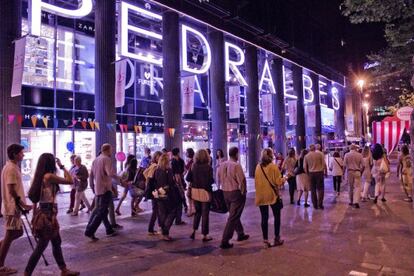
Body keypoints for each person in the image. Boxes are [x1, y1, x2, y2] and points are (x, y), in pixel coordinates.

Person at [24, 153, 79, 276]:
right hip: (48, 215)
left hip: (45, 212)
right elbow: (70, 180)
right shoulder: (49, 176)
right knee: (41, 246)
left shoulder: (40, 176)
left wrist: (34, 216)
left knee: (56, 241)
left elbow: (35, 199)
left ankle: (64, 269)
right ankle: (27, 273)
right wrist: (62, 166)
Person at [0, 144, 32, 274]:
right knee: (9, 235)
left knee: (17, 233)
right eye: (21, 153)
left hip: (13, 207)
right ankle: (1, 266)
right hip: (12, 207)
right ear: (14, 154)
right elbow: (11, 190)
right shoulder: (11, 168)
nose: (23, 155)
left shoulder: (11, 167)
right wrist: (23, 205)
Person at [85, 144, 123, 241]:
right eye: (111, 149)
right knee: (101, 211)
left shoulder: (96, 160)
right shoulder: (106, 159)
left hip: (98, 188)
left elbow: (92, 174)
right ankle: (90, 231)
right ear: (107, 150)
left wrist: (92, 185)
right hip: (105, 188)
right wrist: (119, 178)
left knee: (102, 210)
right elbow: (110, 173)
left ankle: (108, 229)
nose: (112, 151)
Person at [216, 147, 249, 249]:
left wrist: (219, 188)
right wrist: (243, 192)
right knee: (233, 216)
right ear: (236, 154)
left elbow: (217, 178)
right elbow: (242, 180)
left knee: (233, 214)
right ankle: (225, 240)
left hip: (225, 192)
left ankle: (240, 233)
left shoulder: (222, 165)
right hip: (235, 193)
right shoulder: (236, 165)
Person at [255, 148, 285, 248]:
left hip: (261, 195)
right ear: (271, 155)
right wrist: (286, 177)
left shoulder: (258, 167)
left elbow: (256, 182)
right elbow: (279, 182)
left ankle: (265, 240)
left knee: (264, 218)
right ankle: (277, 238)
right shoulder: (273, 167)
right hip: (272, 195)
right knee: (277, 217)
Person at [186, 149, 214, 242]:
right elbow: (211, 181)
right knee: (205, 214)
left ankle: (193, 231)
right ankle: (204, 235)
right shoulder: (208, 167)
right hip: (205, 192)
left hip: (195, 192)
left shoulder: (193, 166)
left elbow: (188, 178)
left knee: (197, 212)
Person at [153, 153, 180, 241]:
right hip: (167, 194)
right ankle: (165, 231)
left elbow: (154, 182)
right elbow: (171, 183)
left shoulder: (156, 170)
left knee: (162, 213)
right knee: (172, 212)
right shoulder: (168, 170)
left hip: (158, 194)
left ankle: (162, 229)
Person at [143, 151, 163, 235]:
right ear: (155, 157)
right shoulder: (155, 166)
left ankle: (159, 227)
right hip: (155, 191)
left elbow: (145, 174)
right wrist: (148, 187)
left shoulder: (155, 166)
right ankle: (151, 229)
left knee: (157, 209)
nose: (160, 158)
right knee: (156, 209)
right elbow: (148, 177)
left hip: (154, 190)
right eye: (158, 156)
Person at [304, 144, 327, 209]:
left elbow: (304, 167)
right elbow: (323, 164)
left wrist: (307, 174)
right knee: (320, 189)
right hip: (319, 172)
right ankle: (320, 204)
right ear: (315, 148)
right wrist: (323, 171)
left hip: (311, 173)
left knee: (313, 190)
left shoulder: (306, 156)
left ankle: (315, 205)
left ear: (309, 148)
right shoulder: (319, 154)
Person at [171, 148, 187, 225]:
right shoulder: (177, 161)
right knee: (180, 198)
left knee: (178, 199)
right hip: (178, 181)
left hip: (177, 181)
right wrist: (180, 182)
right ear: (178, 153)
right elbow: (178, 173)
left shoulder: (173, 161)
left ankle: (178, 218)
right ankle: (178, 218)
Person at [184, 148, 195, 217]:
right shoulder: (190, 160)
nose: (186, 153)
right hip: (190, 178)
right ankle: (192, 209)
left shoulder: (192, 161)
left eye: (187, 152)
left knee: (189, 195)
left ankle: (191, 209)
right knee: (190, 195)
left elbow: (187, 168)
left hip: (191, 179)